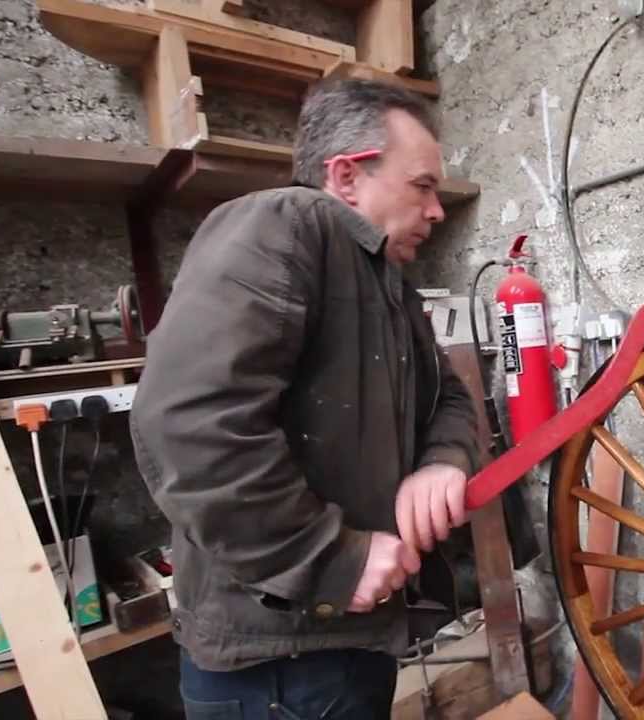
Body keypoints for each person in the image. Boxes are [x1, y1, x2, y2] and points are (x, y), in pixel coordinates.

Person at [129, 78, 480, 720]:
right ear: (346, 177)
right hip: (278, 669)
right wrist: (330, 562)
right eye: (422, 186)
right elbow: (187, 425)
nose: (436, 211)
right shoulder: (283, 225)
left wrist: (442, 461)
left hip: (348, 641)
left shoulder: (387, 284)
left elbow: (450, 396)